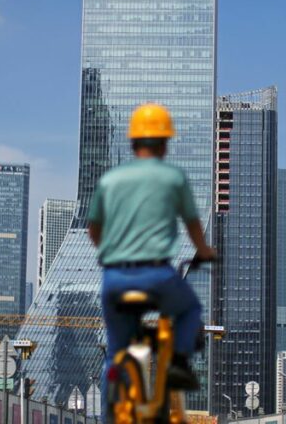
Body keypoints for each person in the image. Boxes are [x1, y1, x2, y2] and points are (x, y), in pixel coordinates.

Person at [89, 103, 217, 391]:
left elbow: (94, 228)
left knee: (115, 354)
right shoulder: (173, 177)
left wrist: (105, 252)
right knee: (189, 310)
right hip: (156, 275)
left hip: (115, 278)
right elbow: (193, 222)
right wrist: (204, 250)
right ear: (164, 144)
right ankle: (178, 364)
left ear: (133, 141)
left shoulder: (110, 179)